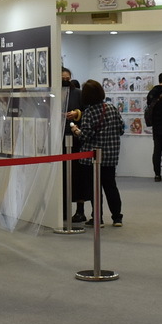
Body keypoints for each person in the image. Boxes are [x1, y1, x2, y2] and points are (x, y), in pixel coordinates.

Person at [68, 79, 125, 226]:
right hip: (111, 156)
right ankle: (117, 217)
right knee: (111, 186)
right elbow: (121, 129)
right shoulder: (112, 108)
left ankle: (98, 218)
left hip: (92, 158)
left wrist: (75, 130)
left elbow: (85, 136)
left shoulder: (89, 112)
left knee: (95, 189)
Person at [61, 67, 88, 224]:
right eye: (62, 78)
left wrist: (77, 114)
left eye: (67, 78)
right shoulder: (53, 94)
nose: (65, 81)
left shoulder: (78, 93)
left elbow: (87, 111)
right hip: (58, 141)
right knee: (62, 177)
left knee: (78, 177)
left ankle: (80, 210)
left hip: (76, 141)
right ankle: (63, 209)